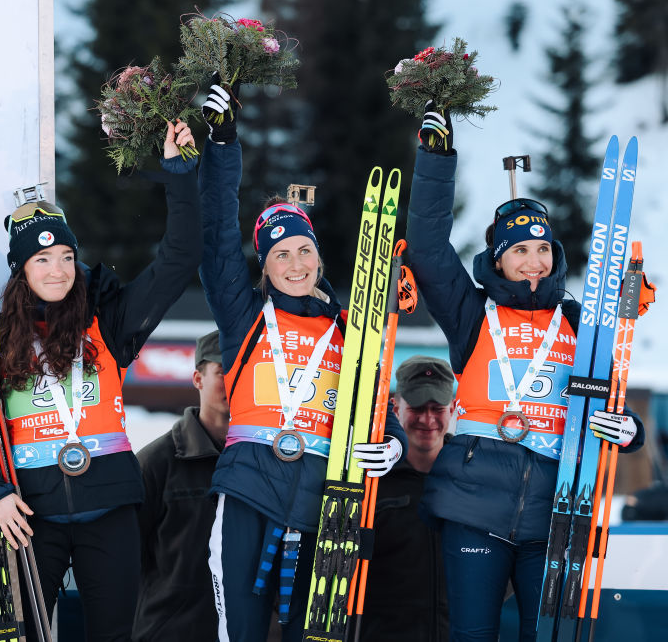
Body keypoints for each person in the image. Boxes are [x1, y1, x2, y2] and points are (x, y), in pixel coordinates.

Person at [0, 120, 200, 642]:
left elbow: (180, 258)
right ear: (21, 269)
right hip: (30, 514)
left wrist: (179, 173)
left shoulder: (108, 318)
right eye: (42, 259)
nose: (58, 270)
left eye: (65, 257)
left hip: (111, 510)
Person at [406, 103, 645, 641]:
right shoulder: (472, 315)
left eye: (543, 249)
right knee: (472, 634)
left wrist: (627, 430)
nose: (533, 261)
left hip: (557, 509)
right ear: (498, 259)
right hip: (473, 502)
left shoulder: (580, 321)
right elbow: (425, 248)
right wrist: (436, 159)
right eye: (519, 251)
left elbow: (610, 402)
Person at [196, 83, 408, 642]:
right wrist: (221, 145)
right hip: (246, 496)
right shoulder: (246, 319)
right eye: (280, 254)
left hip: (325, 502)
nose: (295, 264)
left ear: (319, 256)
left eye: (304, 250)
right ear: (264, 266)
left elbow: (377, 407)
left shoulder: (349, 330)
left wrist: (390, 443)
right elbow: (216, 241)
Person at [133, 330, 230, 642]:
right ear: (198, 379)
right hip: (169, 632)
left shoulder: (267, 459)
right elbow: (124, 563)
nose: (234, 381)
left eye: (243, 371)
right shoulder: (155, 462)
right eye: (222, 371)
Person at [361, 355, 456, 642]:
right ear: (395, 407)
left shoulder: (470, 475)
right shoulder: (371, 478)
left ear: (452, 409)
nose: (428, 420)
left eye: (437, 408)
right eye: (417, 407)